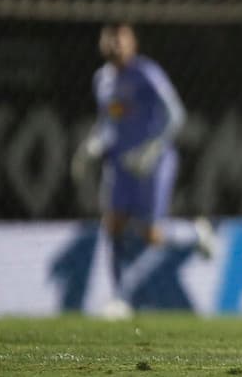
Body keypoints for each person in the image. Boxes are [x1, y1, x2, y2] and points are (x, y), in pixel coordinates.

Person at [73, 22, 214, 318]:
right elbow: (107, 124)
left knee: (152, 234)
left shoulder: (146, 73)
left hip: (153, 163)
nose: (114, 45)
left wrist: (152, 148)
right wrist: (91, 147)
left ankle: (194, 235)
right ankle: (119, 299)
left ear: (132, 43)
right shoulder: (102, 79)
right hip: (120, 165)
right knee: (113, 224)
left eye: (119, 39)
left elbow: (175, 113)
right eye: (109, 39)